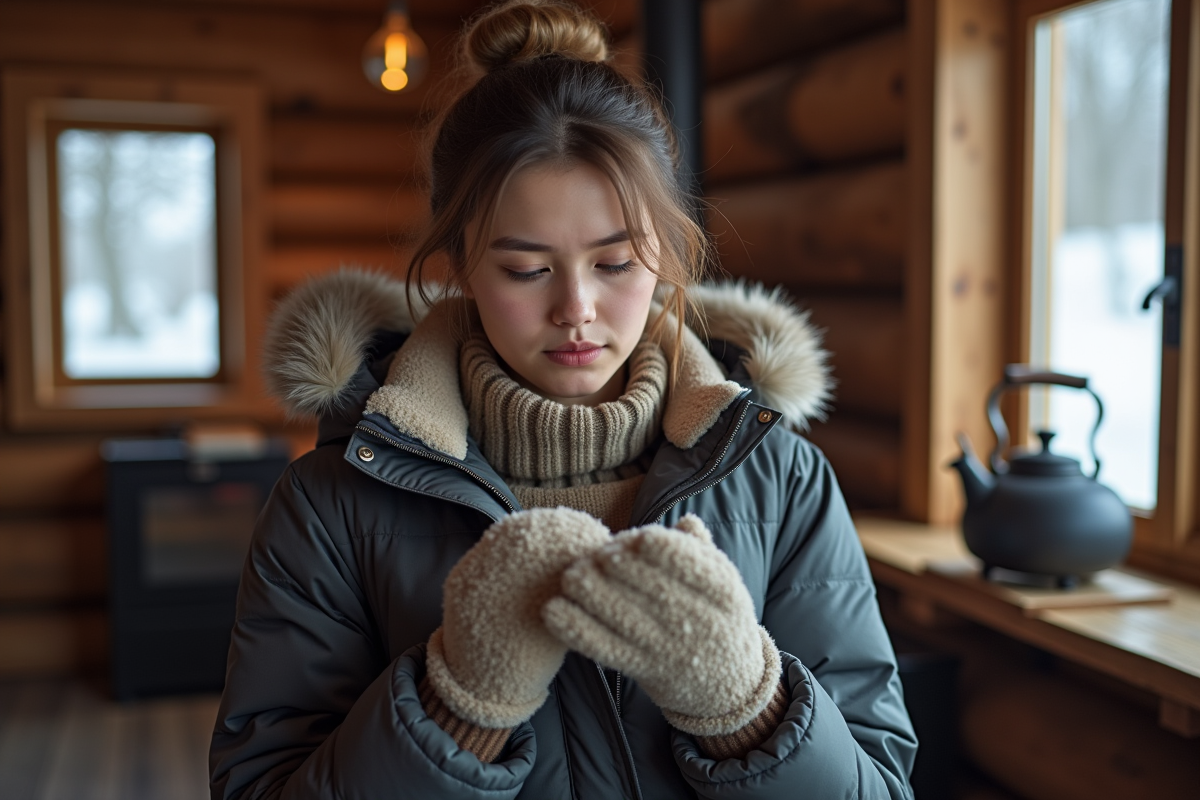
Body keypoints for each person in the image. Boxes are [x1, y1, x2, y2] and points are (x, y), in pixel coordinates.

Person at [209, 1, 917, 797]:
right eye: (525, 268)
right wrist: (457, 704)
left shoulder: (781, 481)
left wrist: (748, 706)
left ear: (666, 253)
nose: (575, 307)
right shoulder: (331, 504)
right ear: (459, 264)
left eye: (615, 263)